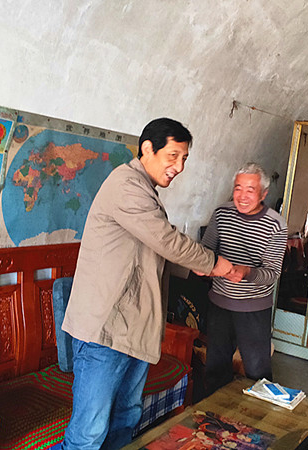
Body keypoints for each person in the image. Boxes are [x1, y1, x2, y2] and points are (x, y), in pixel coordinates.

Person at [59, 118, 233, 450]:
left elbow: (152, 252)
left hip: (133, 330)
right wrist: (214, 264)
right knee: (88, 433)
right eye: (173, 156)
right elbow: (166, 240)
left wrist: (195, 268)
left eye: (184, 159)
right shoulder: (126, 185)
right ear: (147, 149)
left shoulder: (145, 190)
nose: (179, 167)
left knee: (125, 420)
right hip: (105, 332)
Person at [202, 162, 287, 395]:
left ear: (264, 194)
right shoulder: (221, 214)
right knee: (215, 369)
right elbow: (206, 252)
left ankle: (258, 417)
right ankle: (214, 415)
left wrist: (247, 272)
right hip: (219, 304)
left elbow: (272, 273)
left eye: (250, 190)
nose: (242, 196)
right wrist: (203, 266)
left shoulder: (276, 224)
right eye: (238, 188)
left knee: (258, 373)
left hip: (253, 309)